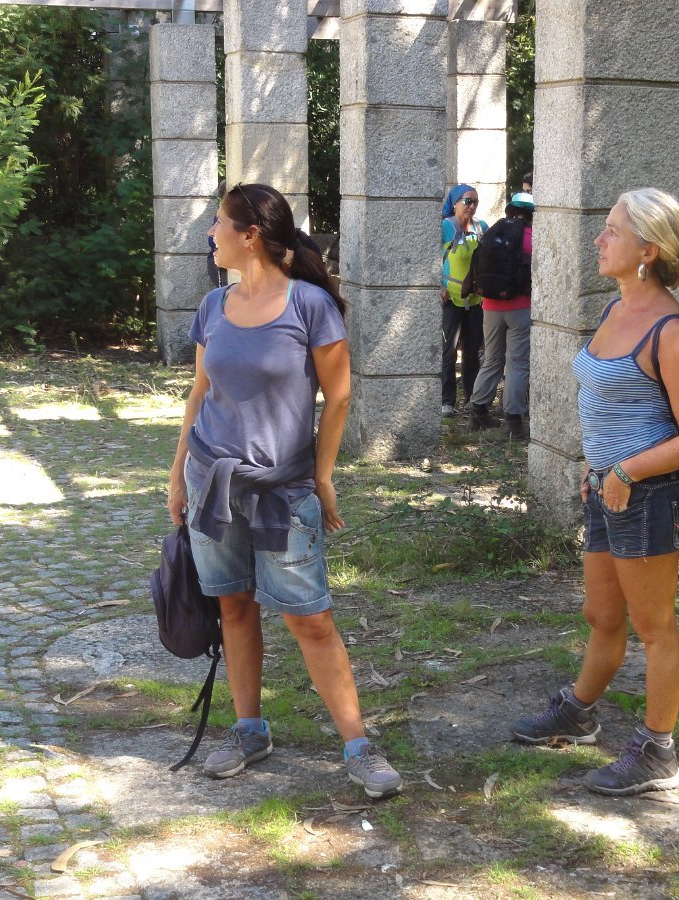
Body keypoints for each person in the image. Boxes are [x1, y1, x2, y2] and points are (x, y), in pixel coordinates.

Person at [166, 183, 402, 799]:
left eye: (218, 223)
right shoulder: (213, 306)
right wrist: (177, 474)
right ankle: (249, 730)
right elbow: (199, 394)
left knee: (311, 619)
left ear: (250, 236)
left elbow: (339, 396)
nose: (210, 233)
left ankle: (358, 745)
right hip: (212, 482)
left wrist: (321, 477)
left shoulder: (310, 306)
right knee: (233, 607)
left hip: (284, 489)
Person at [510, 188, 679, 796]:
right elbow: (607, 402)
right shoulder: (613, 309)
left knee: (655, 627)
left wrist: (625, 472)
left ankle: (658, 752)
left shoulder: (669, 331)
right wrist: (599, 467)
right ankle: (579, 713)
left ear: (648, 251)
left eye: (613, 231)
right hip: (608, 487)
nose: (599, 240)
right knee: (600, 616)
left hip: (646, 494)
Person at [468, 192, 535, 438]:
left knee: (492, 359)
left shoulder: (493, 232)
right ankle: (514, 421)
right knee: (517, 363)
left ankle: (478, 412)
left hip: (490, 307)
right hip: (521, 307)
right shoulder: (532, 237)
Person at [441, 184, 489, 416]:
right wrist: (439, 286)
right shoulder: (445, 227)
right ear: (455, 203)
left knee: (472, 351)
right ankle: (447, 401)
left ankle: (472, 397)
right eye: (467, 201)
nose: (472, 206)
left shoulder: (482, 228)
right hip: (450, 299)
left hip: (475, 300)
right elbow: (428, 258)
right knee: (448, 351)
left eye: (475, 202)